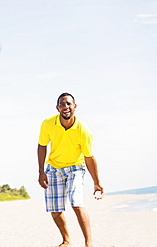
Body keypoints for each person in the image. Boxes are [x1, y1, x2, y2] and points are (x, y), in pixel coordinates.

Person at [37, 92, 104, 247]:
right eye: (62, 104)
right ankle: (66, 240)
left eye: (68, 104)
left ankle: (89, 242)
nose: (65, 107)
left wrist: (97, 182)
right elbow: (42, 146)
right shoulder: (47, 124)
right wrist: (41, 172)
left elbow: (89, 157)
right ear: (57, 108)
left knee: (76, 202)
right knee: (55, 208)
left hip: (75, 168)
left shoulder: (83, 130)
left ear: (75, 106)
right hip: (53, 167)